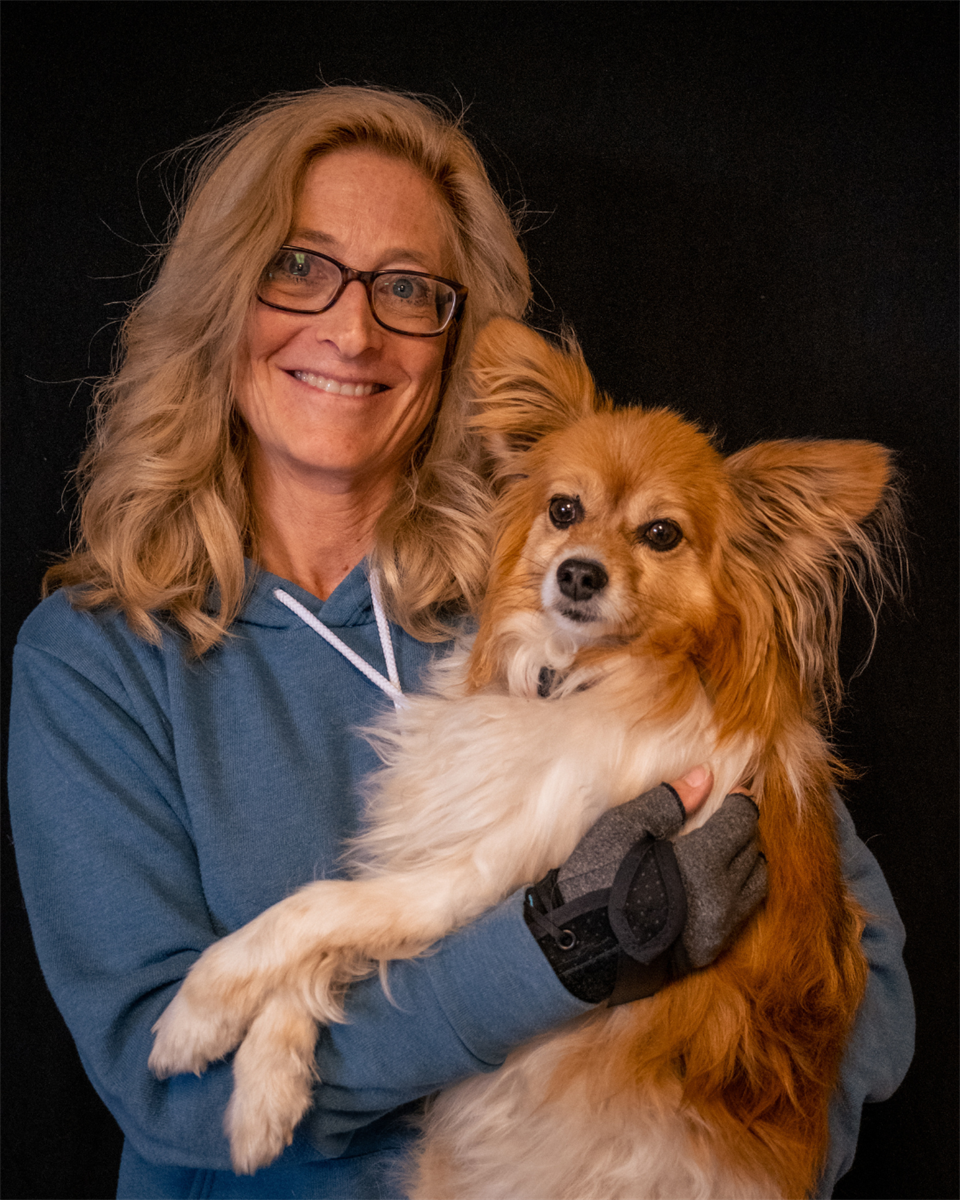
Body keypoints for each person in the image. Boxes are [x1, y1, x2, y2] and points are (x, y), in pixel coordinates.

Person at [8, 86, 912, 1200]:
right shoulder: (96, 661)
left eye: (407, 289)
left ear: (457, 345)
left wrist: (758, 1159)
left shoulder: (564, 626)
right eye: (298, 266)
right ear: (218, 301)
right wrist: (559, 960)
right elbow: (168, 1090)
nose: (351, 330)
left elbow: (864, 980)